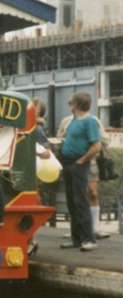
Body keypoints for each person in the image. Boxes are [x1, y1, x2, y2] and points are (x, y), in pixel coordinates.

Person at [57, 105, 111, 241]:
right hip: (71, 161)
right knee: (75, 196)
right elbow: (59, 138)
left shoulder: (93, 120)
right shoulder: (67, 121)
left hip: (89, 159)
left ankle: (94, 228)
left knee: (91, 192)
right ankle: (78, 231)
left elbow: (103, 140)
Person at [29, 98, 53, 256]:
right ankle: (30, 240)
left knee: (31, 203)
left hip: (31, 172)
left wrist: (32, 152)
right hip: (29, 172)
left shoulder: (36, 129)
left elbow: (47, 152)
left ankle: (31, 240)